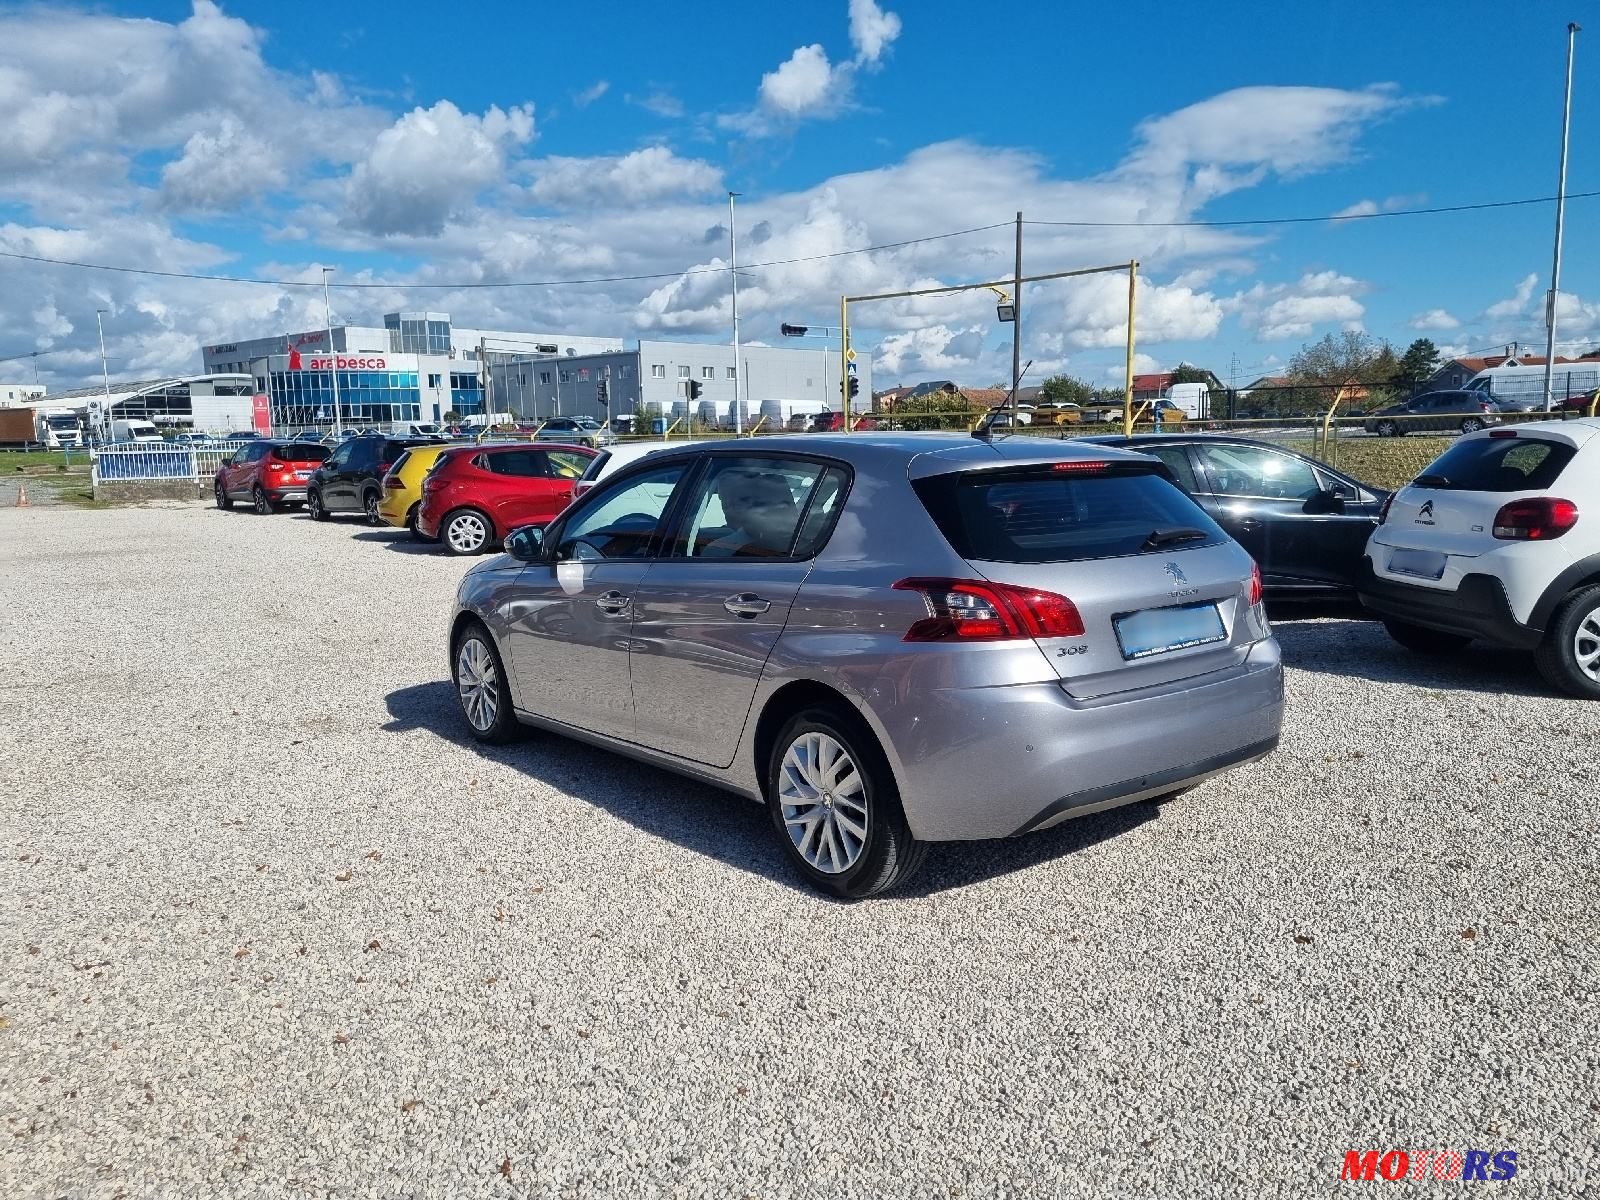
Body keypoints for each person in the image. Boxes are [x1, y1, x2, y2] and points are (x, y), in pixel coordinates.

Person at [698, 470, 799, 558]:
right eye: (726, 504)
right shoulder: (721, 549)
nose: (731, 510)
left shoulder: (720, 549)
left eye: (743, 500)